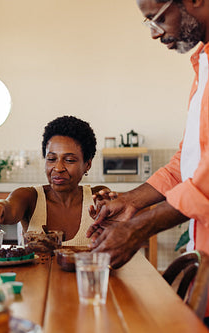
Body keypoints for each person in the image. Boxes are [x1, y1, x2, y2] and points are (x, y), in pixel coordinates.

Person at [86, 0, 209, 321]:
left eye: (157, 18)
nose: (155, 34)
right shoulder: (203, 63)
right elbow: (189, 161)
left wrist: (141, 228)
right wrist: (131, 201)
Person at [0, 116, 109, 246]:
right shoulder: (29, 197)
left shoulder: (97, 196)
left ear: (87, 164)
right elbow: (9, 207)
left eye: (69, 160)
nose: (58, 168)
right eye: (51, 159)